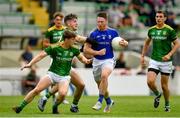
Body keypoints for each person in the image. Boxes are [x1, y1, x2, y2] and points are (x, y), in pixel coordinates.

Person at [12, 30, 91, 114]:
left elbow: (82, 58)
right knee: (37, 90)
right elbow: (41, 55)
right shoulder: (55, 47)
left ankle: (55, 106)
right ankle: (20, 107)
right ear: (66, 39)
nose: (75, 41)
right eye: (73, 39)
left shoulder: (74, 49)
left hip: (64, 77)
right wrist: (30, 63)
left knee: (63, 94)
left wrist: (86, 61)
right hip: (52, 74)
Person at [38, 13, 97, 113]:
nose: (76, 23)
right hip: (59, 62)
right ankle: (65, 105)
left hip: (66, 62)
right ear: (68, 23)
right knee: (70, 84)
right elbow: (78, 39)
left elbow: (77, 45)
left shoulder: (71, 32)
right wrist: (94, 41)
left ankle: (47, 99)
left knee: (80, 85)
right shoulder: (67, 31)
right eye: (74, 21)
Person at [83, 12, 128, 113]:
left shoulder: (113, 33)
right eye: (98, 22)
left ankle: (99, 101)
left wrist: (125, 43)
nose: (99, 23)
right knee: (101, 85)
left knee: (104, 76)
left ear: (106, 21)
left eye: (101, 22)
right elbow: (86, 50)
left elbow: (122, 42)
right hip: (96, 61)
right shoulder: (92, 34)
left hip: (109, 60)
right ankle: (108, 101)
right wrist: (97, 52)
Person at [141, 10, 180, 112]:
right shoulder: (151, 30)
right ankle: (158, 95)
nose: (158, 18)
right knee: (149, 82)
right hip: (154, 60)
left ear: (165, 18)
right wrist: (142, 56)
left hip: (166, 62)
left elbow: (177, 44)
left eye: (160, 17)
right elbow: (146, 43)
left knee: (164, 86)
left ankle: (167, 104)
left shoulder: (169, 30)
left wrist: (169, 54)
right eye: (157, 16)